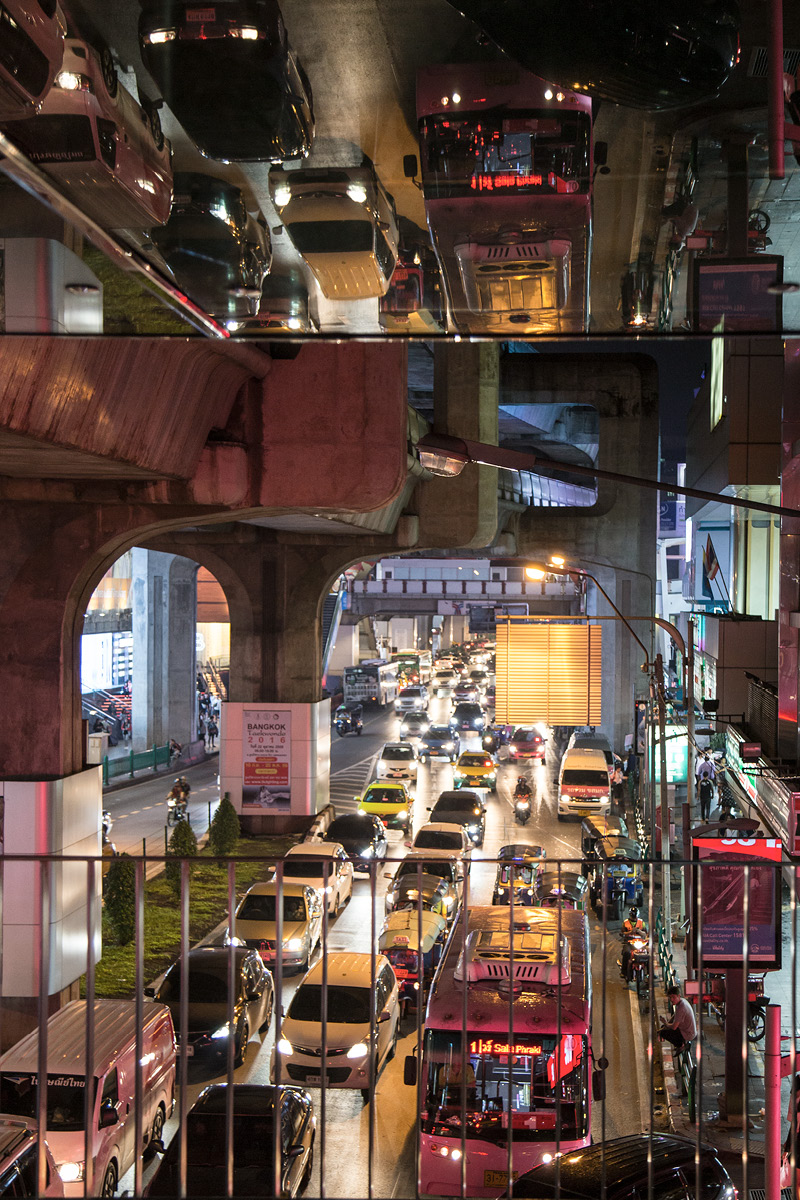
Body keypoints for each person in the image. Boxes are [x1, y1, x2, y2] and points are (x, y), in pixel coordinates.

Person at [658, 985, 697, 1051]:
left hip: (688, 1034)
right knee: (664, 1027)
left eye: (673, 997)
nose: (671, 1000)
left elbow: (674, 1027)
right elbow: (675, 1016)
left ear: (678, 996)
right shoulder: (681, 1002)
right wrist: (666, 1024)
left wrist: (666, 1023)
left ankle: (681, 1045)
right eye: (670, 997)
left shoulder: (681, 1008)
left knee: (663, 1033)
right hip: (687, 1030)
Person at [620, 906, 647, 981]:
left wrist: (639, 931)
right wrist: (630, 932)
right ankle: (624, 972)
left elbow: (645, 934)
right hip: (629, 943)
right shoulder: (625, 923)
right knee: (626, 953)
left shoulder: (641, 923)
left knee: (647, 955)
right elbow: (623, 933)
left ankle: (649, 973)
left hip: (639, 943)